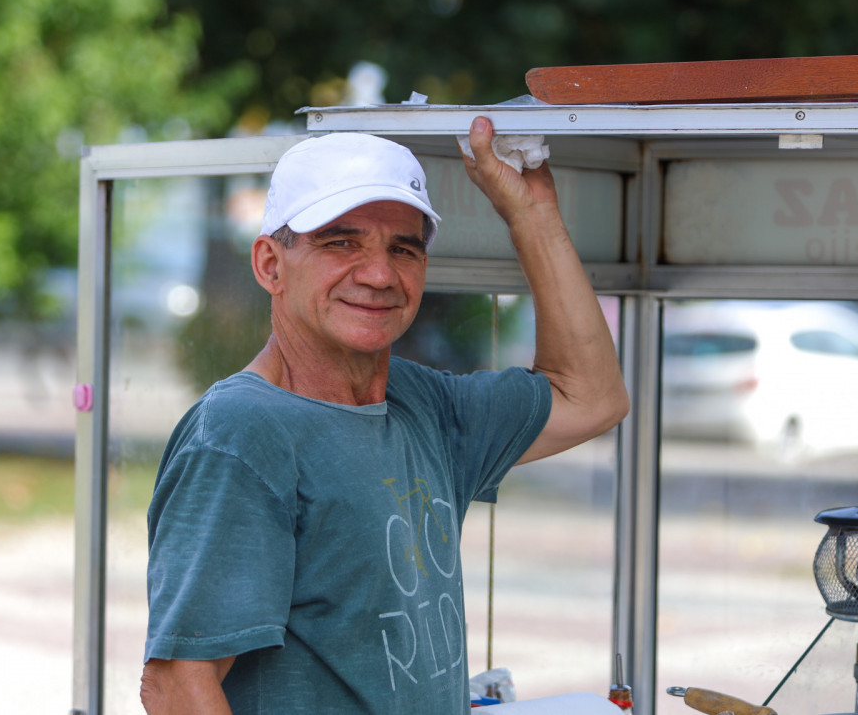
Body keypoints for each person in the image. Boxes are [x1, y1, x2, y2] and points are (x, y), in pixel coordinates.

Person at [140, 116, 629, 714]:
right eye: (340, 243)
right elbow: (176, 686)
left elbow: (593, 397)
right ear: (271, 264)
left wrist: (531, 214)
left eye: (403, 248)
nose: (378, 274)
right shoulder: (241, 432)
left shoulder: (421, 403)